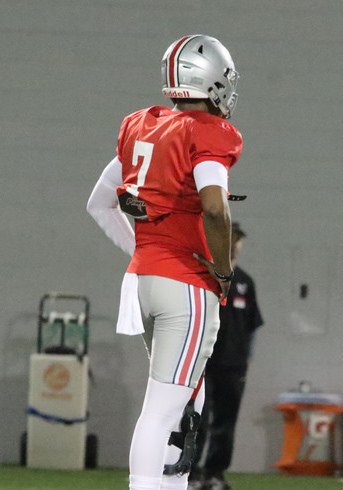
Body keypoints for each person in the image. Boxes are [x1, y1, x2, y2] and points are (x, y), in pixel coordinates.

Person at [86, 34, 242, 490]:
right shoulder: (210, 132)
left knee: (188, 398)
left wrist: (144, 251)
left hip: (145, 280)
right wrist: (223, 268)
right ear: (212, 81)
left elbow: (99, 203)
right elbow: (214, 207)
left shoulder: (142, 124)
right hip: (186, 285)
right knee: (164, 406)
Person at [189, 223, 264, 490]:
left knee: (225, 422)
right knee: (199, 419)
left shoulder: (245, 282)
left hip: (233, 366)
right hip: (205, 364)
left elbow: (253, 326)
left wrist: (247, 360)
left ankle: (215, 473)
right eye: (238, 241)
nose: (239, 247)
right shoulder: (203, 275)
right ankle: (192, 473)